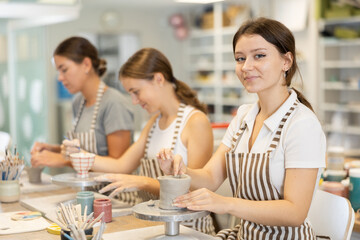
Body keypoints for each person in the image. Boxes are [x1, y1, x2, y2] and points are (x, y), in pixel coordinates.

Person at [157, 17, 326, 240]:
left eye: (259, 56)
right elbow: (210, 178)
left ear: (286, 61)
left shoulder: (301, 124)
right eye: (240, 58)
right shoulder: (244, 116)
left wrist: (226, 204)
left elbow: (295, 212)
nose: (246, 67)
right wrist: (180, 170)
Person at [92, 48, 215, 235]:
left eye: (136, 92)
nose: (134, 101)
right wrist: (80, 158)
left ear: (159, 79)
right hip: (157, 227)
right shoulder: (154, 122)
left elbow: (194, 192)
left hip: (188, 229)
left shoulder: (196, 122)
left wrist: (143, 182)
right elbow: (121, 165)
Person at [31, 36, 134, 168]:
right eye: (58, 71)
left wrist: (64, 160)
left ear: (86, 64)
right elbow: (87, 150)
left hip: (112, 188)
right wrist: (53, 150)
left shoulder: (114, 103)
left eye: (64, 70)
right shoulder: (78, 102)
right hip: (87, 187)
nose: (60, 78)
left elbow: (119, 166)